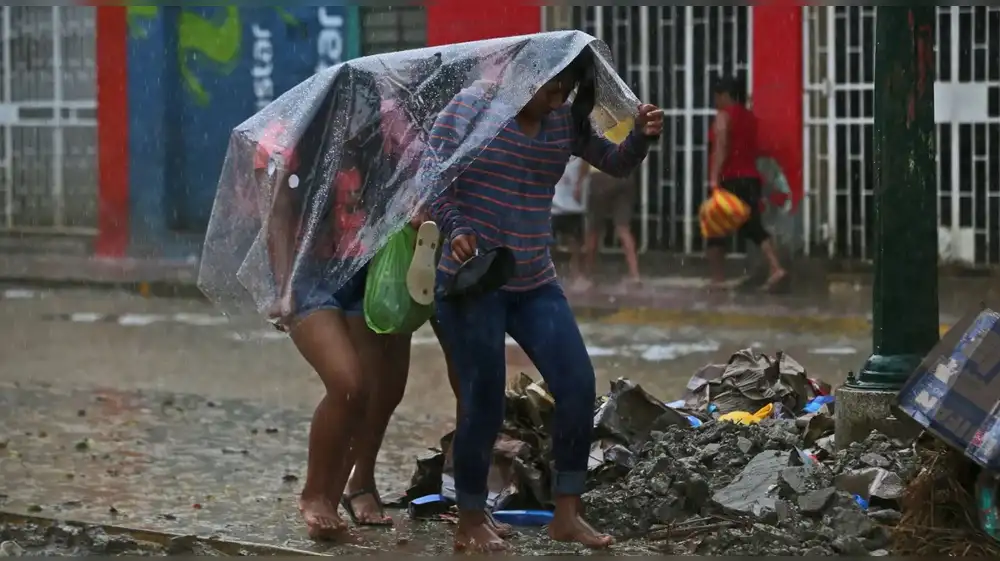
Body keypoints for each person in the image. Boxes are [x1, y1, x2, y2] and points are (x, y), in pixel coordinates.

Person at [424, 49, 663, 551]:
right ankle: (470, 518)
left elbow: (614, 164)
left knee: (577, 384)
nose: (558, 100)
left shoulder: (563, 123)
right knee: (483, 401)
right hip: (472, 283)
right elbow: (430, 178)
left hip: (534, 281)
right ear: (524, 73)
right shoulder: (471, 110)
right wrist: (456, 227)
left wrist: (640, 137)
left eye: (567, 91)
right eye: (552, 87)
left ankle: (567, 514)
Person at [706, 76, 787, 291]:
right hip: (750, 178)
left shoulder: (724, 116)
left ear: (725, 96)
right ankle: (775, 267)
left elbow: (721, 147)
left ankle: (718, 277)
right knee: (752, 225)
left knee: (716, 227)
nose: (715, 101)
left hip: (731, 178)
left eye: (717, 96)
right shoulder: (750, 118)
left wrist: (714, 178)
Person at [579, 167, 641, 289]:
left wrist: (579, 181)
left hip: (601, 176)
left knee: (594, 228)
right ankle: (635, 275)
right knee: (623, 228)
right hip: (625, 176)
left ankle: (588, 273)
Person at [551, 155, 590, 288]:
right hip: (552, 205)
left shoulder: (581, 152)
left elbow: (586, 164)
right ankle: (551, 275)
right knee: (549, 244)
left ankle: (576, 275)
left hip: (573, 207)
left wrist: (579, 182)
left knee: (576, 243)